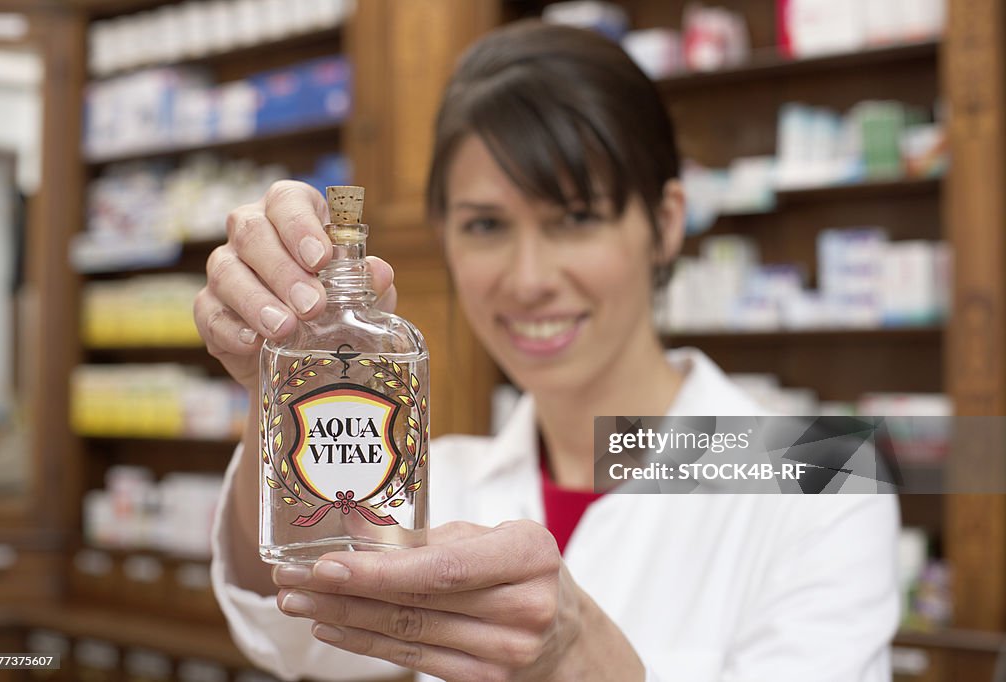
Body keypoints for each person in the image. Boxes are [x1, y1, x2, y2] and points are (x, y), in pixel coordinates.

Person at [195, 20, 899, 682]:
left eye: (577, 218)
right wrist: (279, 372)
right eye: (486, 225)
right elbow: (290, 634)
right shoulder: (428, 479)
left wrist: (585, 662)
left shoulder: (827, 472)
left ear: (665, 224)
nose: (528, 281)